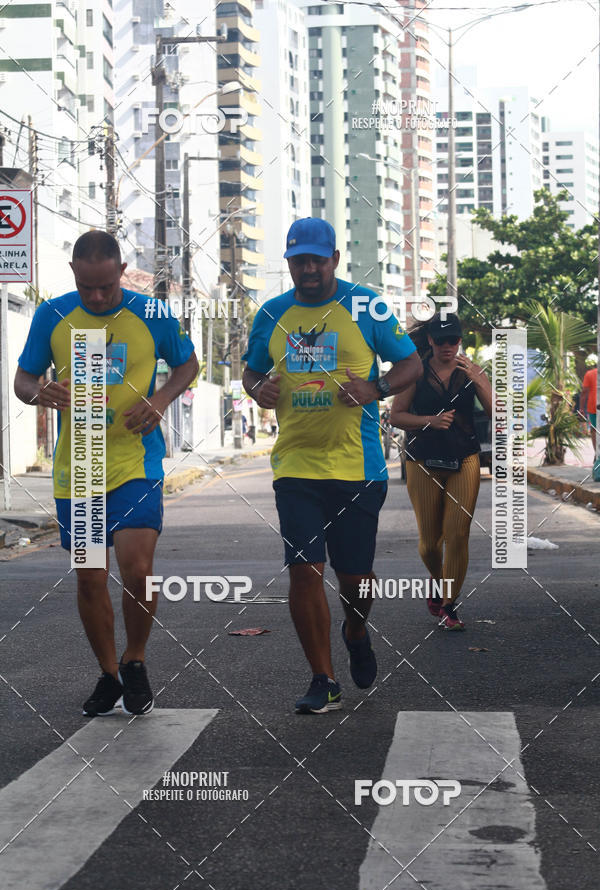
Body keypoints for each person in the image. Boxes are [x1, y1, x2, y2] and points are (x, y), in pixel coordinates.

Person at [242, 217, 422, 713]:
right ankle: (323, 678)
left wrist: (377, 388)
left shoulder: (365, 305)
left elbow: (411, 364)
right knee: (304, 570)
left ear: (334, 260)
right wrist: (259, 388)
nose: (309, 269)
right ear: (289, 263)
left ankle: (356, 628)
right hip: (296, 465)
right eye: (300, 260)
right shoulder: (273, 313)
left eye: (318, 260)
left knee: (355, 580)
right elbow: (251, 371)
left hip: (358, 467)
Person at [14, 231, 198, 716]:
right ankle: (109, 673)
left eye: (105, 287)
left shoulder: (152, 313)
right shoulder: (51, 315)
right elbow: (23, 379)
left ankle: (135, 658)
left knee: (138, 570)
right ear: (74, 272)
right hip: (80, 470)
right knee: (91, 579)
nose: (96, 297)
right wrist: (39, 392)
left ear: (120, 271)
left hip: (136, 462)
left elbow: (187, 364)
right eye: (87, 287)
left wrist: (159, 400)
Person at [390, 313, 492, 630]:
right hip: (423, 460)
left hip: (465, 457)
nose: (447, 346)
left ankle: (449, 604)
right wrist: (428, 421)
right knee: (430, 544)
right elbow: (396, 416)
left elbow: (498, 413)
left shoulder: (471, 371)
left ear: (459, 340)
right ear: (431, 340)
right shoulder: (416, 371)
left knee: (458, 534)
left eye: (453, 340)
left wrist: (480, 381)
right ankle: (437, 580)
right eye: (441, 340)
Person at [579, 360, 598, 451]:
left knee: (594, 430)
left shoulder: (589, 374)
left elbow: (584, 392)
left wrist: (581, 408)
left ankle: (597, 453)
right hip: (593, 407)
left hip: (593, 406)